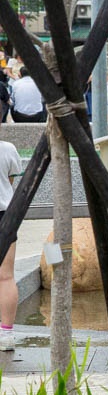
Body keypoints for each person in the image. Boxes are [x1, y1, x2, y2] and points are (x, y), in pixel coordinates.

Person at [0, 125, 21, 351]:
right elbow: (10, 180)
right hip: (4, 216)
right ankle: (6, 334)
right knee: (5, 277)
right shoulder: (8, 149)